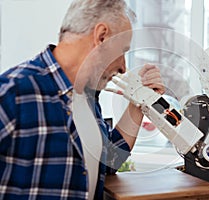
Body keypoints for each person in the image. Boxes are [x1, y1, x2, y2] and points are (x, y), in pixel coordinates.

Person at [0, 0, 165, 199]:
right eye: (122, 51)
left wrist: (138, 104)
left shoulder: (87, 96)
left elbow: (107, 161)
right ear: (101, 36)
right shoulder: (12, 93)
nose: (123, 67)